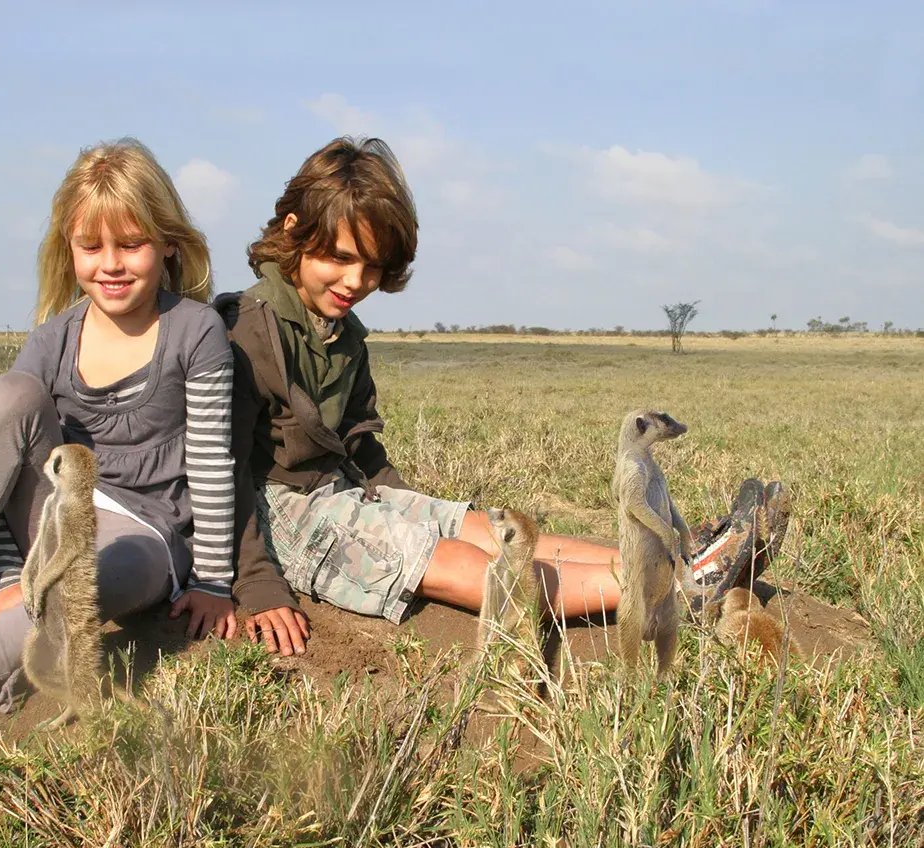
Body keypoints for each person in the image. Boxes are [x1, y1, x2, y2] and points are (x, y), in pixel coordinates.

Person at [0, 139, 299, 762]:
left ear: (169, 243)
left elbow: (211, 465)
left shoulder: (195, 331)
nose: (111, 264)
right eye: (91, 246)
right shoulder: (51, 340)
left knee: (80, 587)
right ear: (67, 249)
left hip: (147, 535)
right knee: (6, 396)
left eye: (131, 243)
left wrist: (211, 579)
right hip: (56, 509)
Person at [218, 137, 788, 657]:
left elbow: (360, 444)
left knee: (489, 529)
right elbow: (225, 470)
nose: (354, 282)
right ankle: (676, 591)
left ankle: (685, 561)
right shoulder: (247, 328)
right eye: (340, 258)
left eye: (372, 268)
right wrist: (257, 581)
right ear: (292, 230)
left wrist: (415, 509)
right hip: (280, 517)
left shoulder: (345, 335)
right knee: (463, 562)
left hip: (346, 490)